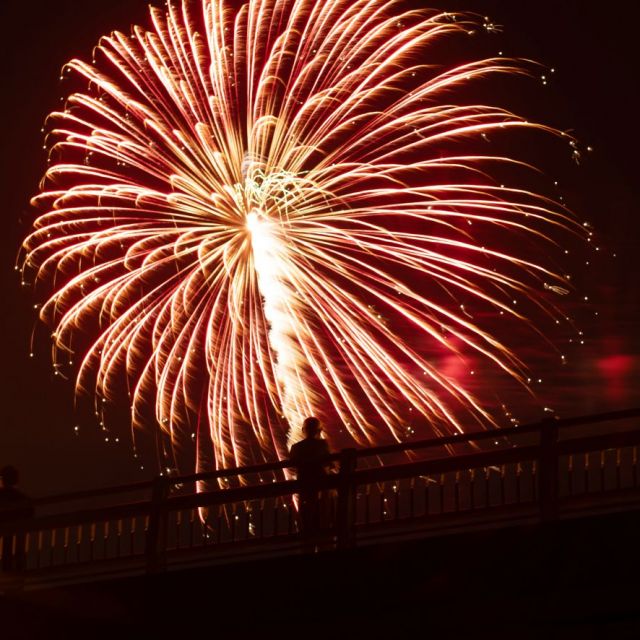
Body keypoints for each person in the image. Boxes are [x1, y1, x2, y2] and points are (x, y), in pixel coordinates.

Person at [289, 417, 333, 551]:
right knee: (324, 518)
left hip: (305, 486)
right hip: (321, 486)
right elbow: (328, 463)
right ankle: (325, 547)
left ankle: (307, 547)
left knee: (306, 519)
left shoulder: (296, 448)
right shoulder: (323, 445)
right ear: (319, 430)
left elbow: (292, 466)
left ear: (304, 430)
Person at [0, 465, 33, 573]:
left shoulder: (2, 496)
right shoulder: (22, 498)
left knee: (7, 545)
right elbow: (30, 513)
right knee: (19, 547)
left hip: (5, 532)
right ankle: (19, 569)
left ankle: (7, 569)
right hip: (19, 532)